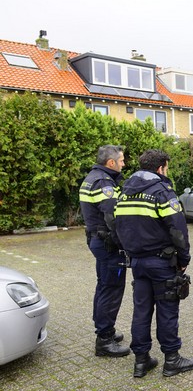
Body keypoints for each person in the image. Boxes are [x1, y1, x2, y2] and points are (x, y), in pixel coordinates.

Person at [114, 149, 193, 378]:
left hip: (137, 263)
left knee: (141, 311)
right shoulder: (162, 192)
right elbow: (178, 229)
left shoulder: (124, 193)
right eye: (166, 167)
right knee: (167, 309)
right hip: (162, 263)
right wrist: (184, 259)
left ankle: (141, 361)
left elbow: (116, 226)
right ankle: (172, 360)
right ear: (161, 168)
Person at [79, 145, 130, 357]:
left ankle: (104, 328)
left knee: (104, 286)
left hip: (98, 241)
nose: (124, 163)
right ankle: (104, 341)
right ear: (111, 163)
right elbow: (112, 217)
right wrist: (124, 244)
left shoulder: (93, 177)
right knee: (111, 289)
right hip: (108, 244)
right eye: (121, 160)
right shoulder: (103, 182)